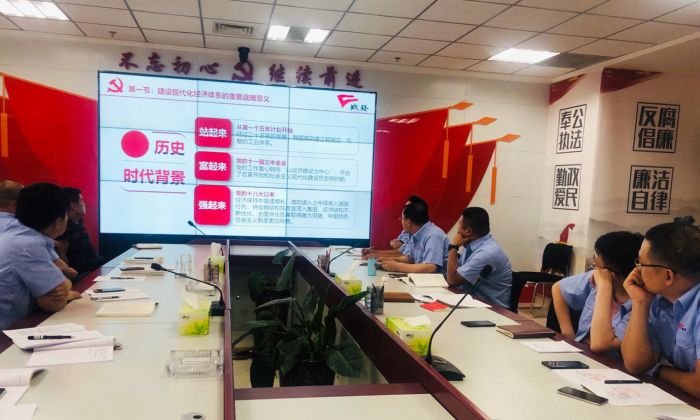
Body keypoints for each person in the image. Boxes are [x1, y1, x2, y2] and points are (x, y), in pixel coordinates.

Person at [621, 223, 700, 398]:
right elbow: (635, 364)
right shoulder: (657, 299)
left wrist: (660, 371)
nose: (636, 271)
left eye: (641, 263)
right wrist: (640, 303)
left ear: (667, 276)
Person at [0, 182, 81, 330]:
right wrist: (66, 287)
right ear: (58, 221)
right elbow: (52, 302)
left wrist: (64, 286)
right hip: (7, 333)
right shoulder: (29, 244)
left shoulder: (17, 233)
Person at [551, 231, 643, 355]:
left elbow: (600, 345)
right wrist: (568, 335)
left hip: (609, 363)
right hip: (581, 353)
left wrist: (604, 287)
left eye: (595, 265)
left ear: (611, 274)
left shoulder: (642, 304)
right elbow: (558, 288)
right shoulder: (597, 277)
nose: (593, 269)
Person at [446, 207, 512, 309]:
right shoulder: (473, 245)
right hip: (472, 302)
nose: (457, 230)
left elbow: (452, 280)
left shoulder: (486, 253)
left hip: (493, 310)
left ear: (468, 231)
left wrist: (453, 246)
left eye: (459, 225)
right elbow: (456, 274)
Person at [378, 200, 448, 273]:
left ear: (408, 222)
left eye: (402, 218)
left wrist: (397, 266)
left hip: (439, 279)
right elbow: (411, 259)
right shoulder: (416, 233)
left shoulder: (433, 236)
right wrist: (389, 260)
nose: (401, 221)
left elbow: (431, 268)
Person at [55, 187, 103, 277]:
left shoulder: (78, 223)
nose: (85, 204)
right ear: (72, 205)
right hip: (82, 274)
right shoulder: (63, 229)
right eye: (81, 200)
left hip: (95, 266)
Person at [362, 195, 427, 261]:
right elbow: (402, 252)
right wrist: (375, 253)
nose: (405, 210)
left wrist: (378, 256)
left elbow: (406, 256)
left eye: (408, 208)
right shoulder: (410, 232)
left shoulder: (428, 235)